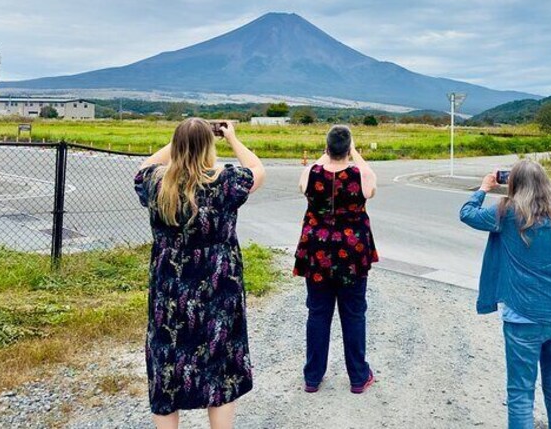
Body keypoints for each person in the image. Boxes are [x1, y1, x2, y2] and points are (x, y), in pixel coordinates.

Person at [134, 118, 265, 429]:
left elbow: (141, 169)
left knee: (167, 367)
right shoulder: (226, 182)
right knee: (219, 371)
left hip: (170, 292)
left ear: (176, 147)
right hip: (219, 289)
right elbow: (258, 170)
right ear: (210, 147)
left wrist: (180, 142)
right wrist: (231, 138)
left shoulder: (157, 183)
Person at [459, 159, 551, 429]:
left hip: (524, 316)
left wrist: (483, 188)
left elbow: (467, 213)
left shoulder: (506, 211)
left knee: (520, 392)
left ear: (512, 183)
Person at [293, 125, 379, 394]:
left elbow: (303, 184)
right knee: (354, 314)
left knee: (318, 313)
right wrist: (354, 151)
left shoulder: (311, 173)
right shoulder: (360, 175)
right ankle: (358, 376)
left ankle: (313, 378)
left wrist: (324, 155)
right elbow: (371, 184)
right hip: (351, 254)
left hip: (317, 252)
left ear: (327, 147)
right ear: (349, 148)